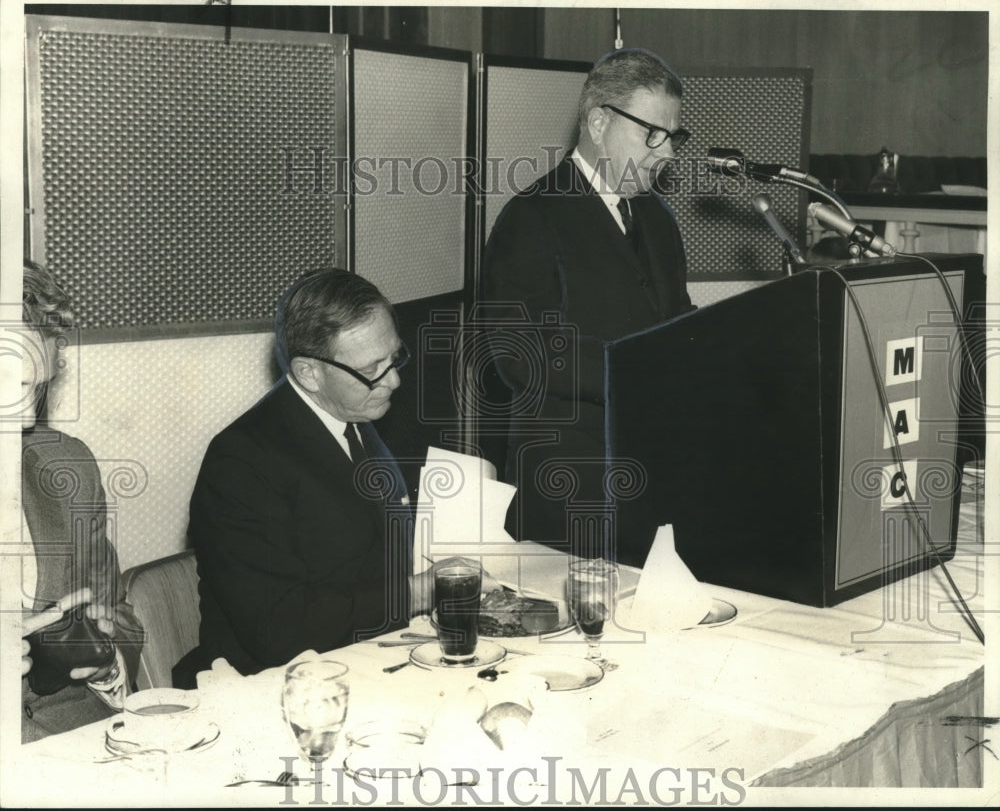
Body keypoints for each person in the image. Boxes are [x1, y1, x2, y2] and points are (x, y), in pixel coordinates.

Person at [179, 268, 491, 682]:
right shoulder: (241, 462)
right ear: (309, 372)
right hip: (277, 684)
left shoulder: (354, 417)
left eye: (395, 357)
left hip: (365, 657)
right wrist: (419, 590)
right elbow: (278, 630)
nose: (394, 380)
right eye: (373, 369)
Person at [483, 48, 696, 568]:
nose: (665, 152)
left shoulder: (657, 218)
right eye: (652, 133)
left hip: (652, 480)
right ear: (599, 121)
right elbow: (518, 352)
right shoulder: (532, 215)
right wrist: (640, 371)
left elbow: (675, 317)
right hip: (571, 489)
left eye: (673, 136)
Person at [19, 260, 144, 743]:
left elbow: (118, 615)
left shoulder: (63, 469)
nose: (28, 415)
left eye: (39, 386)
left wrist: (104, 658)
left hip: (83, 743)